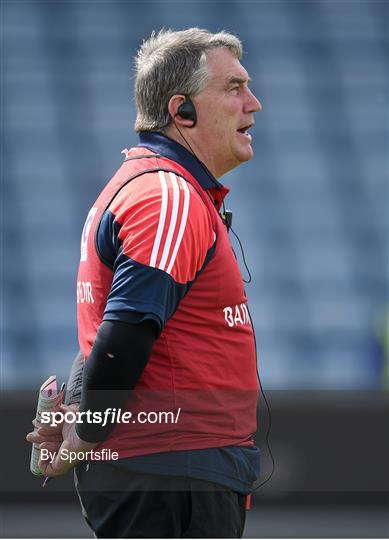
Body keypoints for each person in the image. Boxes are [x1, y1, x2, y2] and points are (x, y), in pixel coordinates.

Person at [27, 27, 262, 538]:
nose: (254, 103)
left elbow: (103, 334)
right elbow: (125, 333)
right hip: (172, 475)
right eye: (233, 88)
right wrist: (84, 436)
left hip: (168, 473)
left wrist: (79, 418)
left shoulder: (149, 188)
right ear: (182, 111)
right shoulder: (168, 195)